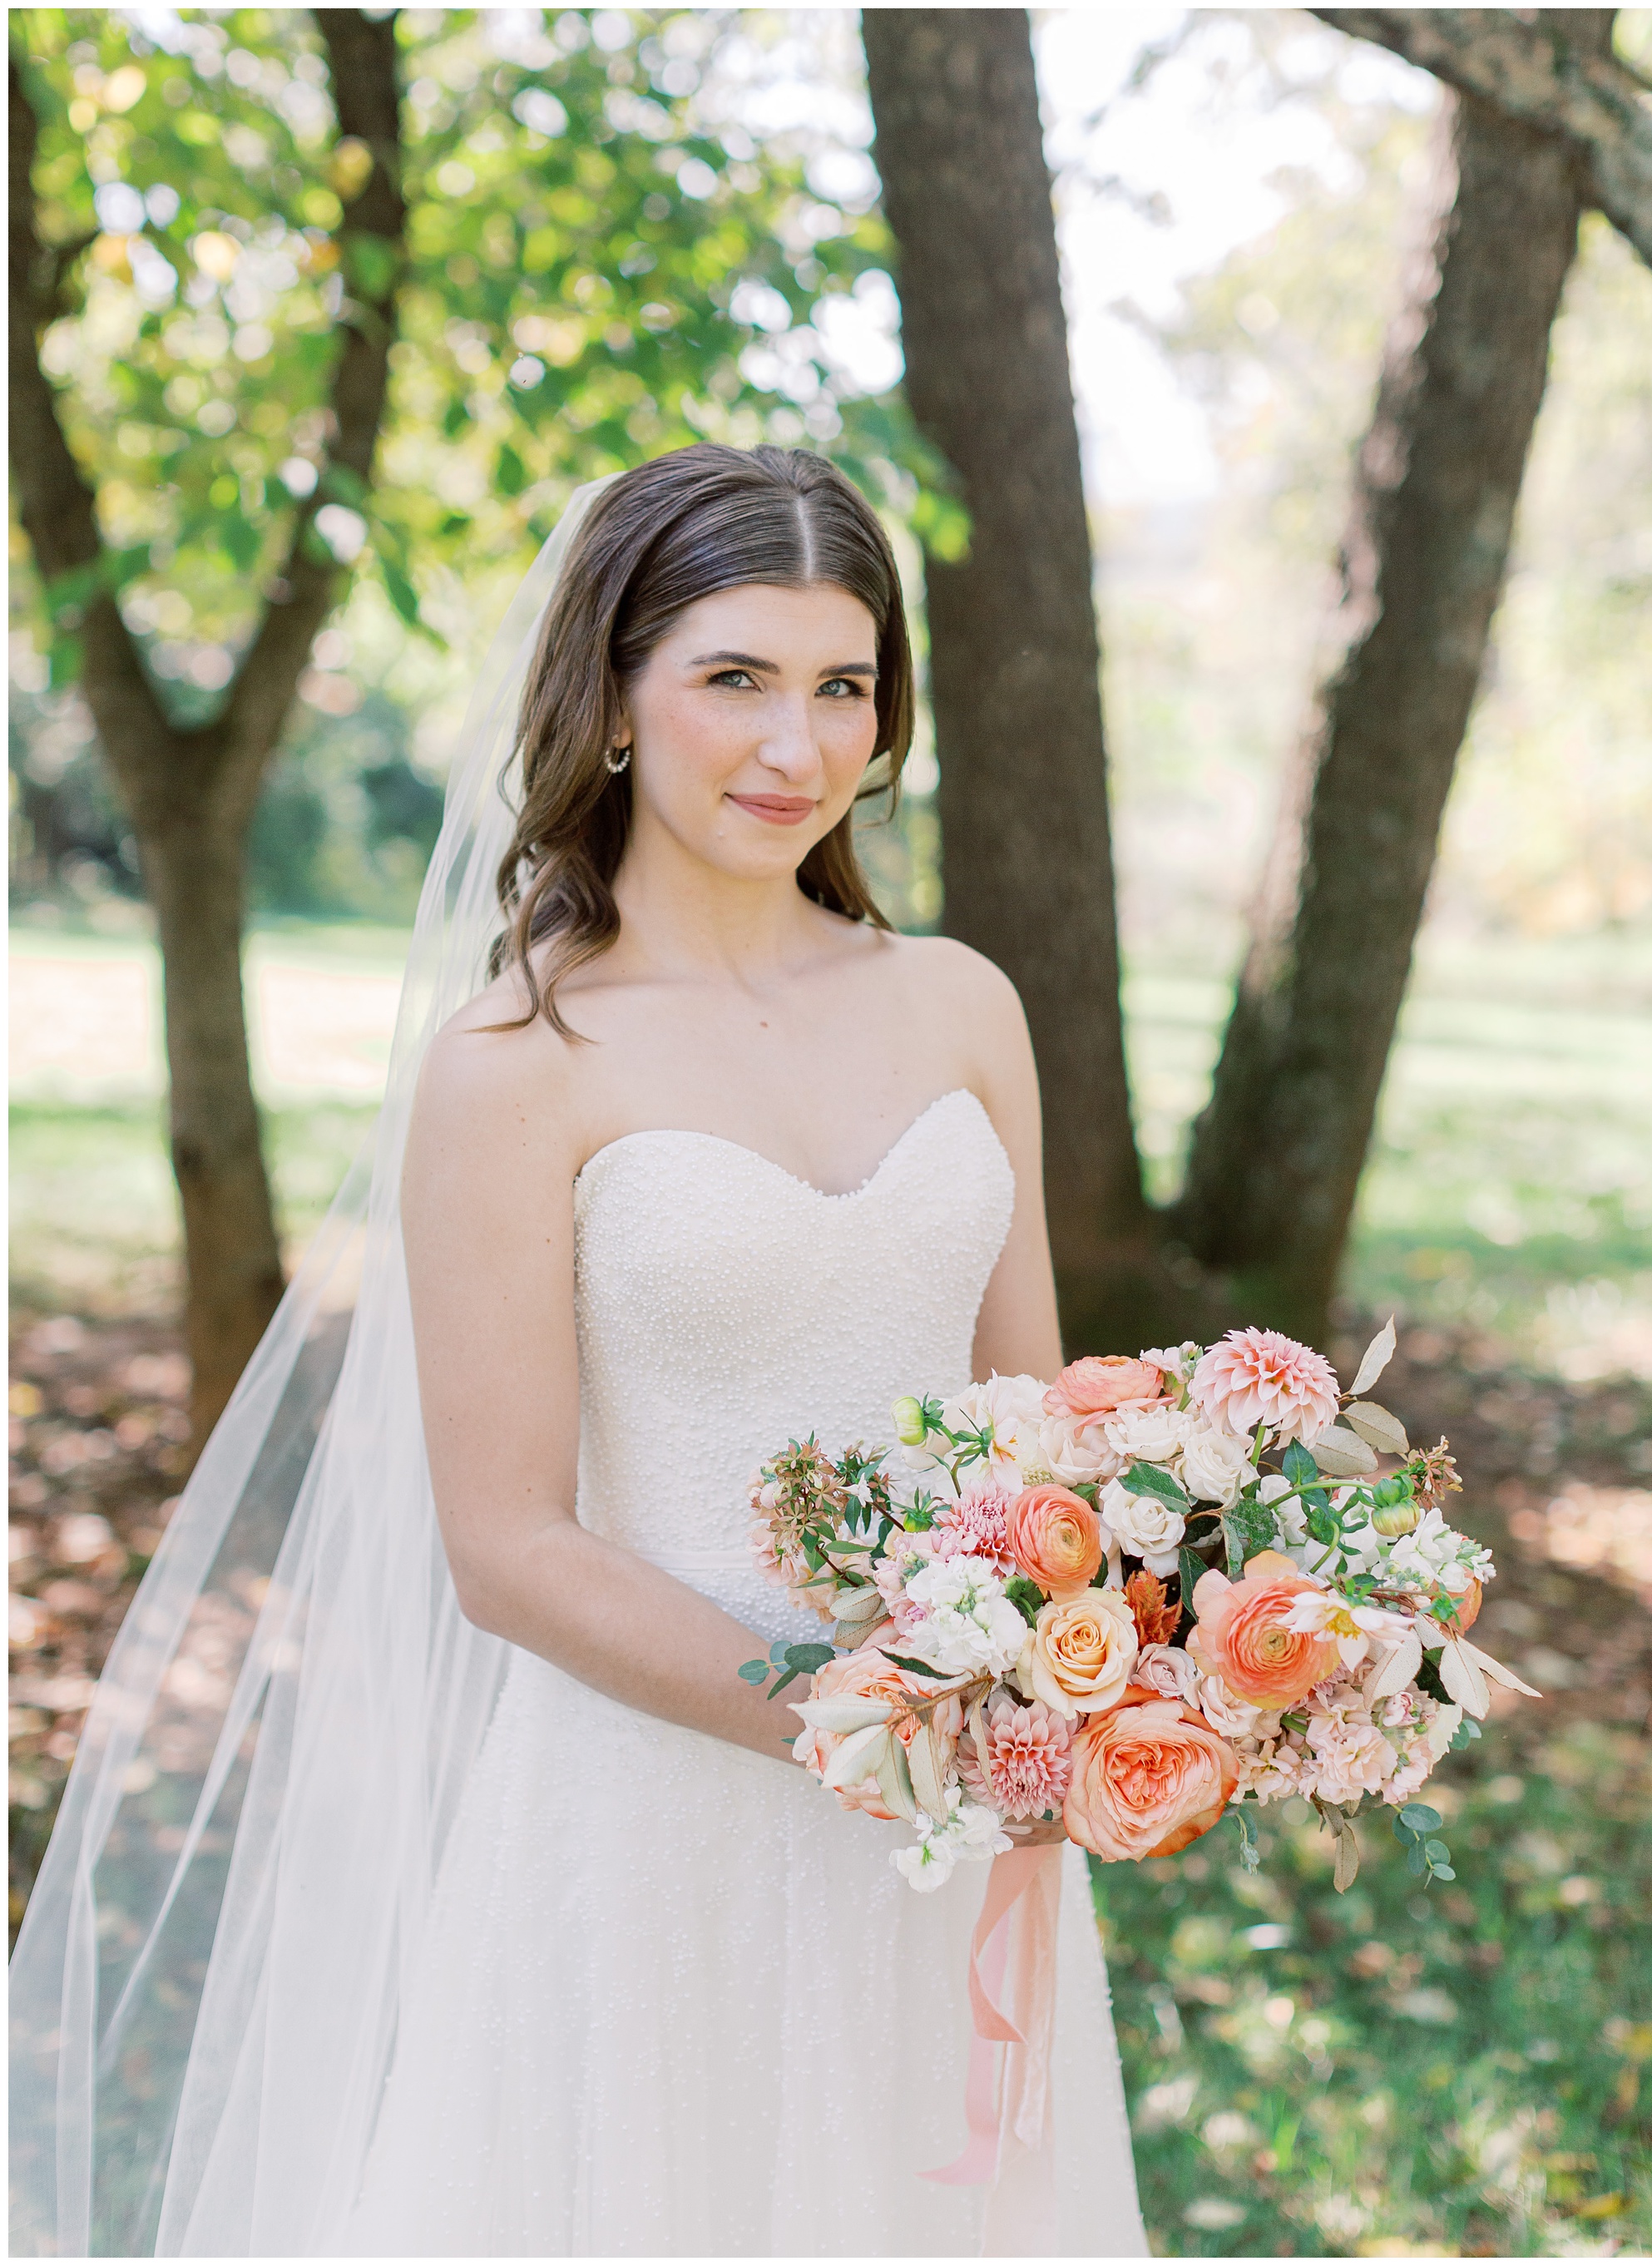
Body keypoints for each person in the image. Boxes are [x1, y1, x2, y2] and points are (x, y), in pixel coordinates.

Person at [10, 444, 1144, 2257]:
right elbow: (508, 1548)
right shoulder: (517, 1062)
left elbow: (1044, 1432)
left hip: (956, 1824)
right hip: (659, 1820)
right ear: (614, 699)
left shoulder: (959, 1005)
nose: (798, 747)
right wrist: (855, 1720)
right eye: (734, 681)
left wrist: (1165, 1639)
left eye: (843, 685)